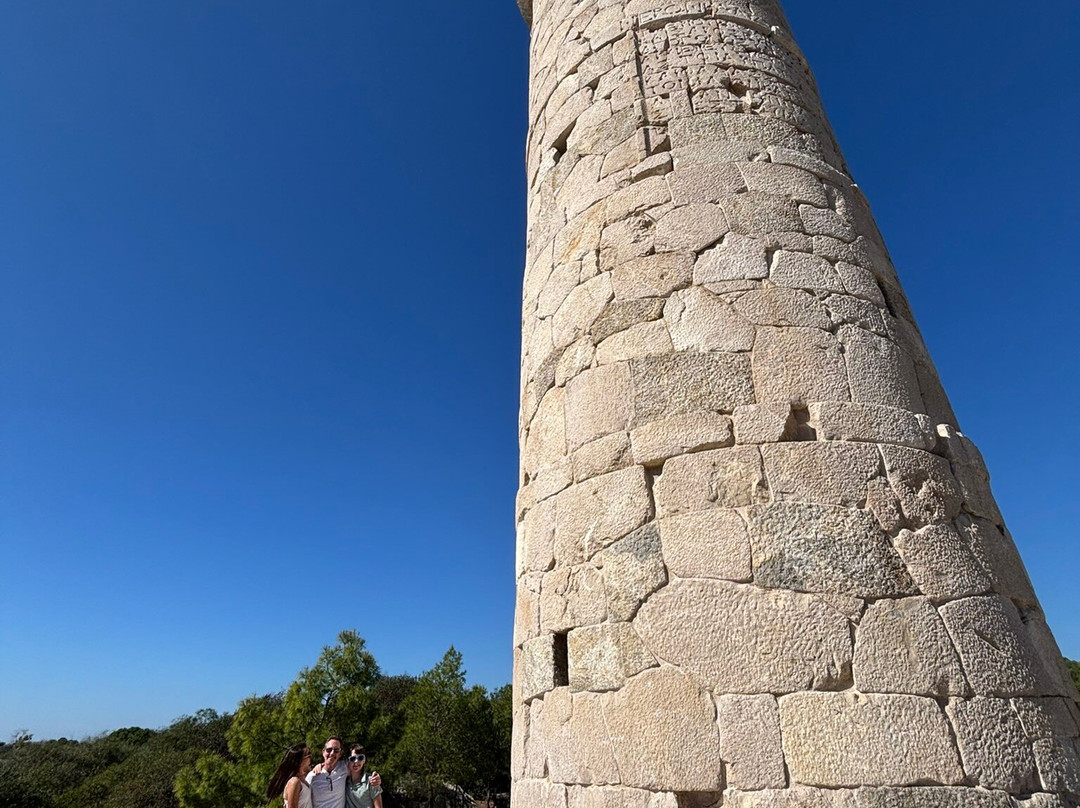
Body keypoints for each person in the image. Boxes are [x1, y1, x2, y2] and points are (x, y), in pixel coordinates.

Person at [308, 736, 381, 808]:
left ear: (340, 753)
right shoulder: (313, 776)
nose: (332, 753)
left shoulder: (344, 768)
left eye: (336, 750)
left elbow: (358, 767)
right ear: (323, 752)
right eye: (329, 750)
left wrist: (376, 779)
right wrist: (319, 765)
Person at [266, 743, 313, 808]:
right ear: (301, 759)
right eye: (309, 755)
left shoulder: (302, 779)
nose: (311, 758)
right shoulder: (294, 782)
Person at [345, 743, 382, 808]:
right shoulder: (344, 781)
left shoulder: (372, 781)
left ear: (364, 760)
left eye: (360, 758)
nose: (356, 761)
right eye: (352, 758)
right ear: (347, 761)